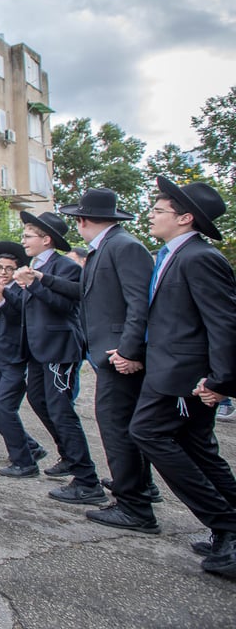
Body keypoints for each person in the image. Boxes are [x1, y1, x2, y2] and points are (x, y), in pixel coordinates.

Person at [130, 177, 236, 578]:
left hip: (186, 376)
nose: (152, 215)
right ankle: (227, 526)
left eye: (159, 210)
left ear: (186, 218)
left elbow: (223, 321)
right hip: (171, 369)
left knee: (148, 433)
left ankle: (225, 523)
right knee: (198, 448)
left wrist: (220, 380)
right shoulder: (173, 254)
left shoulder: (199, 257)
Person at [55, 188, 158, 533]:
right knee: (123, 427)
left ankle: (134, 506)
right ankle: (138, 491)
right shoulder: (106, 248)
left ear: (82, 221)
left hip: (119, 355)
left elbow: (139, 304)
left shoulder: (124, 247)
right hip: (109, 352)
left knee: (116, 427)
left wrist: (130, 350)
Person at [13, 211, 104, 505]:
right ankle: (67, 454)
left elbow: (67, 306)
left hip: (59, 348)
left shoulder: (65, 267)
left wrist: (35, 283)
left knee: (61, 409)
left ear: (46, 239)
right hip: (38, 349)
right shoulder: (33, 266)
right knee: (38, 400)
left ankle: (87, 480)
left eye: (28, 236)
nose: (23, 241)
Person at [0, 241, 47, 478]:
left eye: (9, 268)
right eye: (0, 267)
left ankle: (24, 461)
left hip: (17, 356)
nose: (3, 272)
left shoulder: (21, 289)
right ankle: (29, 445)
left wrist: (1, 297)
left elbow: (19, 313)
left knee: (5, 406)